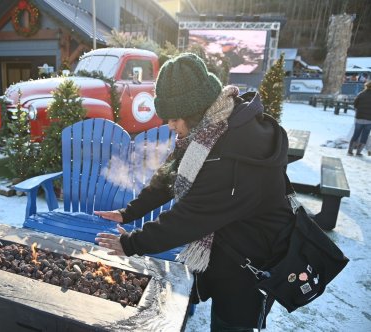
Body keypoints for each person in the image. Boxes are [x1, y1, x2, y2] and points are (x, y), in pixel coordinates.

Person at [94, 53, 294, 331]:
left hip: (252, 257)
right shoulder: (207, 133)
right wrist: (129, 212)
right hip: (225, 244)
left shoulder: (232, 151)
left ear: (196, 110)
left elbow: (189, 218)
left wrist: (132, 244)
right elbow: (169, 177)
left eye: (174, 118)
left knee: (231, 324)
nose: (169, 125)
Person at [348, 81, 371, 156]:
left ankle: (350, 151)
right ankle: (358, 152)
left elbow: (355, 105)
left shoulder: (361, 94)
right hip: (369, 120)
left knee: (356, 134)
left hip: (359, 118)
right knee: (364, 136)